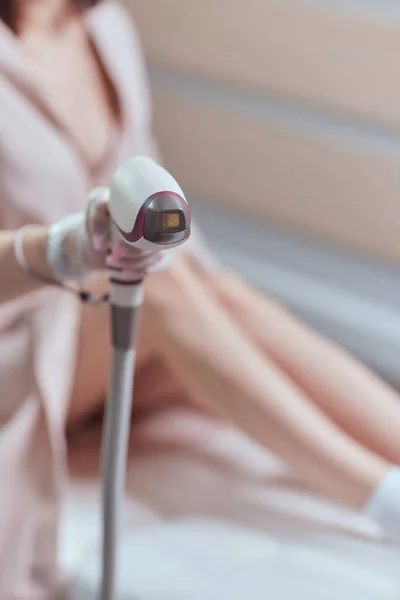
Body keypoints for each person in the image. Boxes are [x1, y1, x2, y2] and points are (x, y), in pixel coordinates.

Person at [0, 0, 399, 595]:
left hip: (90, 338)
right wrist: (63, 249)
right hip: (18, 346)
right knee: (153, 284)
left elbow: (154, 194)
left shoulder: (104, 29)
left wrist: (211, 305)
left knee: (219, 293)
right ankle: (381, 495)